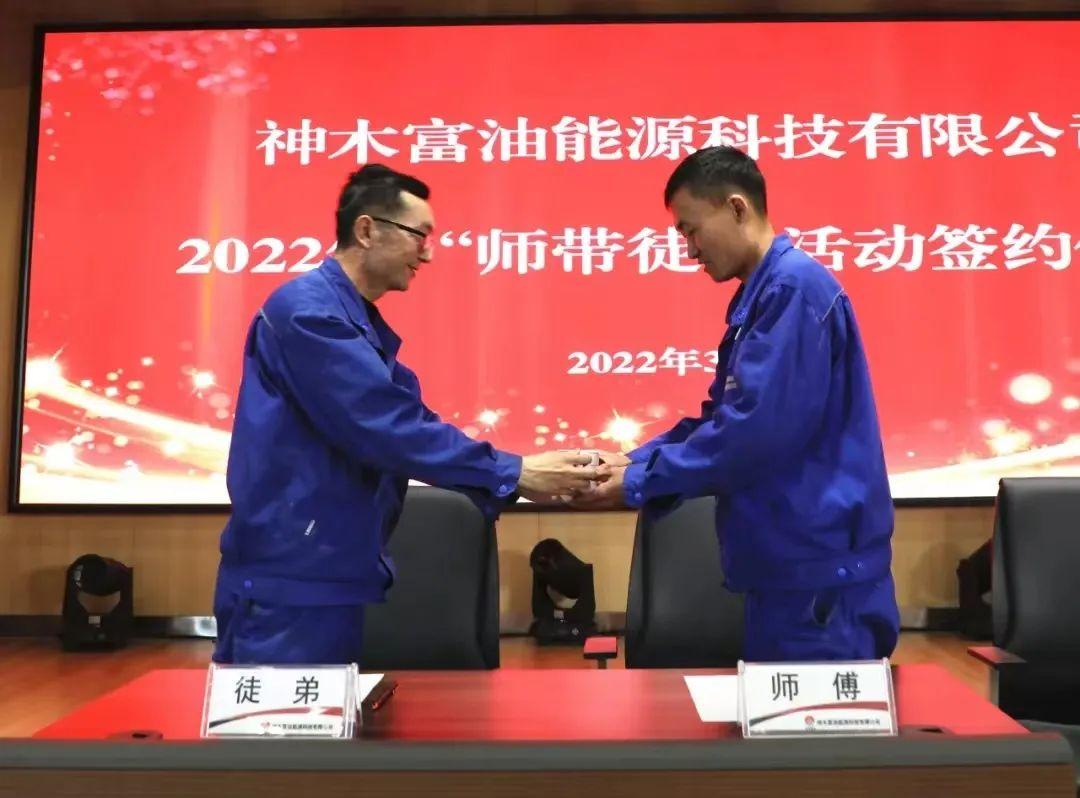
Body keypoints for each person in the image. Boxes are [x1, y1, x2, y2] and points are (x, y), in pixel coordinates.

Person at [213, 164, 599, 665]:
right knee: (282, 715)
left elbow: (406, 421)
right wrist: (515, 473)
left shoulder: (348, 317)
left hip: (322, 569)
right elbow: (389, 429)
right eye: (420, 234)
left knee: (316, 713)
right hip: (292, 576)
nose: (428, 253)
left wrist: (514, 475)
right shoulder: (310, 314)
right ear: (367, 230)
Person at [581, 146, 900, 663]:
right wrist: (630, 461)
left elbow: (752, 435)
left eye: (691, 230)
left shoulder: (793, 290)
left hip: (817, 581)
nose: (690, 250)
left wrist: (638, 480)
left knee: (814, 717)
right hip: (792, 571)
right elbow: (722, 418)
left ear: (736, 207)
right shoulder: (766, 292)